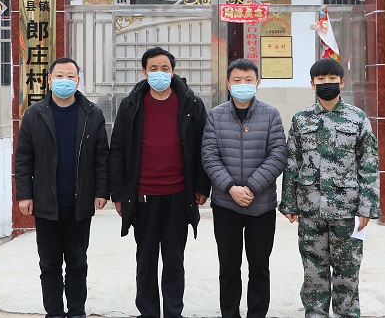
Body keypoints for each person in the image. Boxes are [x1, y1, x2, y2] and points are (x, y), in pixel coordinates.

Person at [109, 46, 210, 318]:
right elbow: (117, 150)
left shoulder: (191, 103)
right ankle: (148, 312)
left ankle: (174, 311)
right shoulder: (131, 104)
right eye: (153, 68)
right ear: (144, 72)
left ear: (173, 71)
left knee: (174, 261)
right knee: (146, 261)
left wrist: (202, 186)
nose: (159, 73)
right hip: (143, 197)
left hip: (179, 194)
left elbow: (202, 146)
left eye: (165, 68)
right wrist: (118, 194)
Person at [279, 57, 380, 317]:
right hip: (310, 210)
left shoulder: (357, 118)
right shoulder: (301, 119)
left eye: (332, 79)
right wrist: (289, 203)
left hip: (347, 210)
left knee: (347, 273)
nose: (327, 83)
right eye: (321, 79)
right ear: (312, 84)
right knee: (314, 274)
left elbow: (368, 164)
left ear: (342, 82)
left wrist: (367, 207)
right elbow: (292, 162)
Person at [15, 57, 110, 318]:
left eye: (70, 76)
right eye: (59, 76)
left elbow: (102, 156)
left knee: (77, 263)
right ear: (49, 79)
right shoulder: (34, 114)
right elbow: (23, 158)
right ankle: (54, 312)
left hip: (80, 204)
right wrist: (24, 194)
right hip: (46, 204)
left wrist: (102, 191)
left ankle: (77, 311)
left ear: (78, 81)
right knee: (49, 264)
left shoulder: (92, 114)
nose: (64, 81)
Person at [201, 58, 287, 318]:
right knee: (228, 267)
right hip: (226, 205)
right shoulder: (216, 115)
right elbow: (209, 156)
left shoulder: (270, 115)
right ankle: (230, 313)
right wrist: (230, 188)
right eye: (237, 80)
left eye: (248, 80)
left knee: (259, 267)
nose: (243, 85)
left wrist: (251, 187)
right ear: (228, 84)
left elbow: (278, 155)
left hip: (261, 206)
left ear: (257, 83)